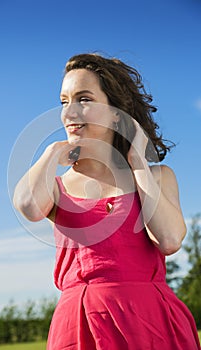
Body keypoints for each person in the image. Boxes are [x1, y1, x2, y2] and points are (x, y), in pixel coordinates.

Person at [13, 53, 201, 349]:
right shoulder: (57, 187)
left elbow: (169, 239)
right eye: (64, 102)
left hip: (153, 323)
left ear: (115, 112)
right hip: (81, 325)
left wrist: (138, 162)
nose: (69, 112)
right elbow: (28, 206)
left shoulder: (158, 177)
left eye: (84, 99)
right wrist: (51, 152)